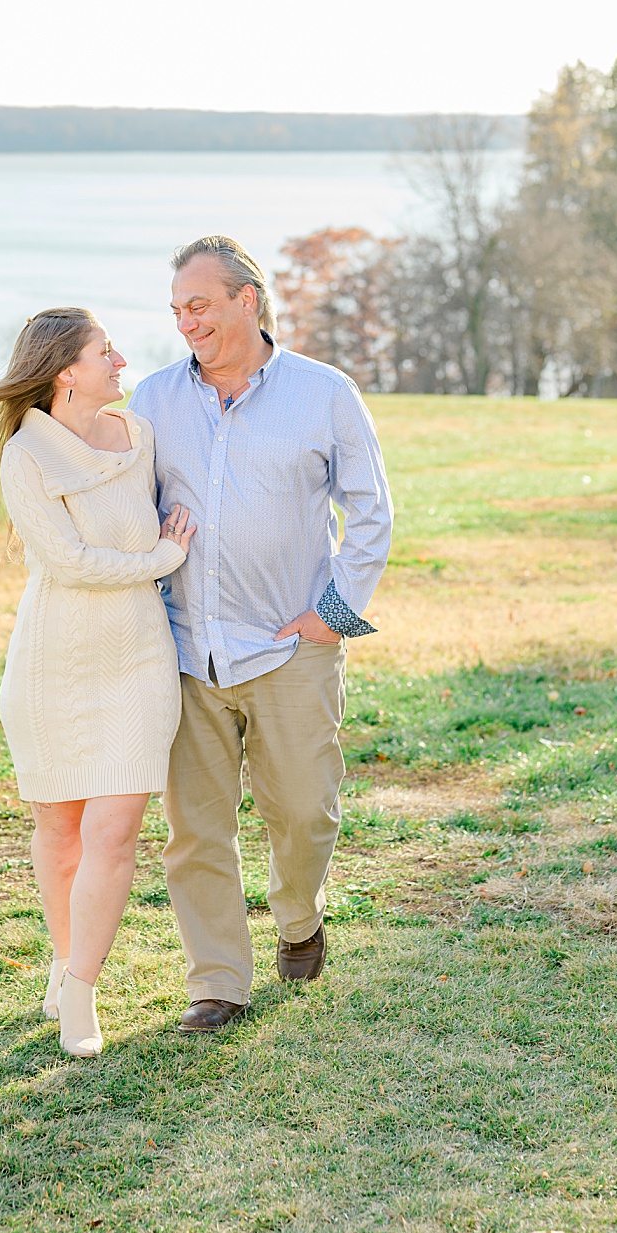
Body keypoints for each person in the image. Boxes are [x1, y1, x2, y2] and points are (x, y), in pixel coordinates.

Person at [131, 235, 392, 1035]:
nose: (187, 323)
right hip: (185, 651)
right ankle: (218, 982)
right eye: (177, 310)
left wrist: (333, 614)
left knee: (306, 809)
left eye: (200, 305)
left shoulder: (324, 393)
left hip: (292, 648)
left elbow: (371, 510)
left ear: (248, 298)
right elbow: (125, 506)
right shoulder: (153, 400)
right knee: (196, 829)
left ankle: (299, 918)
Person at [0, 308, 195, 1057]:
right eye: (103, 350)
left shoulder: (138, 436)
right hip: (54, 662)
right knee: (59, 829)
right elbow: (69, 563)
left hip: (139, 661)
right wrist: (161, 559)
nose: (121, 359)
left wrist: (162, 556)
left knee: (114, 829)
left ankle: (82, 985)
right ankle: (63, 958)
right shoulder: (25, 457)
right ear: (66, 373)